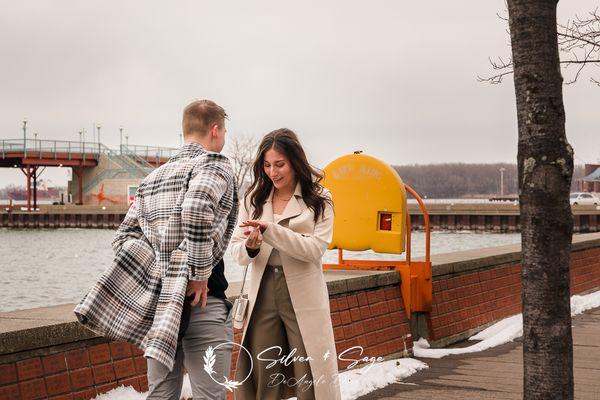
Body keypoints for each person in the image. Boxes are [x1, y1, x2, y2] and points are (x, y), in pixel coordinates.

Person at [74, 100, 238, 400]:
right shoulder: (214, 164)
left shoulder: (151, 178)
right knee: (210, 395)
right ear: (215, 130)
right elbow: (197, 207)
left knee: (161, 395)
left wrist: (160, 267)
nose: (224, 138)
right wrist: (198, 273)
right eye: (224, 131)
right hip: (202, 299)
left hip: (161, 310)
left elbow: (123, 237)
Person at [231, 128, 341, 400]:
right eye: (267, 165)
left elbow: (314, 250)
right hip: (263, 291)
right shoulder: (252, 198)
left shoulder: (320, 199)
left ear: (295, 161)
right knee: (262, 371)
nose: (272, 172)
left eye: (279, 164)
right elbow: (237, 252)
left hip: (303, 294)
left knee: (310, 371)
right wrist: (251, 246)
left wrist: (271, 231)